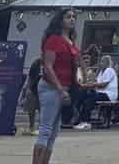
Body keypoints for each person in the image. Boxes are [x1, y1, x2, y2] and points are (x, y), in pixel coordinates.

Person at [33, 8, 79, 164]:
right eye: (68, 17)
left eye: (74, 17)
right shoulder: (54, 39)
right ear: (60, 20)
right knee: (46, 129)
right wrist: (59, 88)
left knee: (54, 131)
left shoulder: (71, 41)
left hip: (66, 88)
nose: (72, 19)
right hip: (51, 87)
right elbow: (48, 66)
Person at [90, 56, 118, 126]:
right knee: (86, 95)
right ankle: (83, 119)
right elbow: (95, 81)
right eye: (100, 61)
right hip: (101, 92)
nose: (100, 63)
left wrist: (94, 84)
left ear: (107, 63)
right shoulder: (101, 72)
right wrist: (97, 71)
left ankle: (86, 120)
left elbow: (103, 85)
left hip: (109, 94)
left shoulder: (109, 70)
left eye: (103, 61)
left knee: (90, 98)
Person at [22, 60, 42, 135]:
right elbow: (30, 77)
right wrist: (28, 88)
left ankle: (42, 127)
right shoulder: (36, 63)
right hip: (33, 89)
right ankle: (31, 127)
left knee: (42, 110)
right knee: (31, 110)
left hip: (45, 90)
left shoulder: (51, 62)